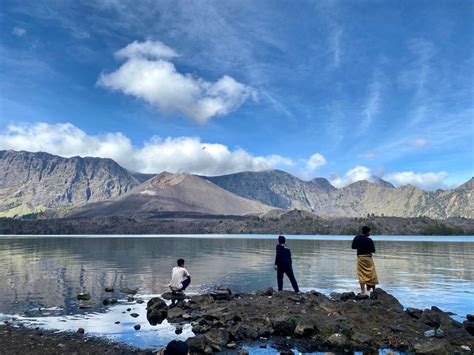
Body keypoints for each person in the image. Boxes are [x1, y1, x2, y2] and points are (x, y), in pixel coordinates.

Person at [352, 226, 378, 296]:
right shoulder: (369, 240)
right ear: (367, 232)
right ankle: (371, 291)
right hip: (368, 258)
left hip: (360, 258)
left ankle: (363, 292)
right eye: (369, 231)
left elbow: (353, 247)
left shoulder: (356, 238)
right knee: (371, 274)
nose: (370, 233)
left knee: (361, 274)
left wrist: (360, 247)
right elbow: (373, 250)